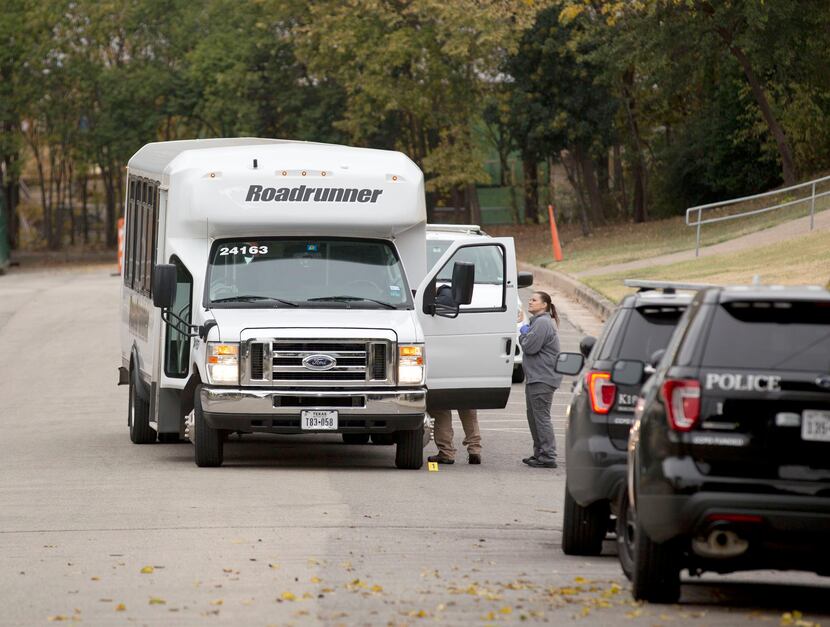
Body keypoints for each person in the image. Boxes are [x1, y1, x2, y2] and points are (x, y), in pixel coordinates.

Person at [427, 284, 482, 465]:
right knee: (468, 413)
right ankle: (474, 449)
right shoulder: (466, 315)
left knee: (441, 412)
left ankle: (447, 452)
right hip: (466, 371)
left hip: (441, 371)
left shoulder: (431, 314)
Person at [518, 291, 563, 468]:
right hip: (536, 377)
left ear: (544, 305)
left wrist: (523, 333)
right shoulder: (538, 322)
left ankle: (548, 455)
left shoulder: (543, 322)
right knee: (534, 417)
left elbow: (529, 347)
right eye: (530, 299)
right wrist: (527, 331)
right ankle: (540, 454)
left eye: (534, 300)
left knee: (541, 417)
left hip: (542, 378)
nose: (530, 302)